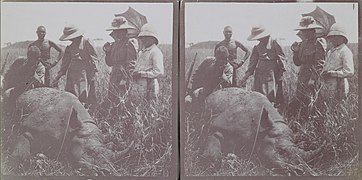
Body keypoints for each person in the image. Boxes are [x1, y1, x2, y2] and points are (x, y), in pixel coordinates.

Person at [52, 25, 98, 106]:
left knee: (84, 95)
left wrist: (94, 73)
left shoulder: (87, 42)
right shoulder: (69, 48)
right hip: (72, 74)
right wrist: (57, 77)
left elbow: (94, 58)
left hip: (85, 73)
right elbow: (64, 65)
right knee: (72, 96)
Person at [239, 26, 285, 106]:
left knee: (270, 95)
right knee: (259, 96)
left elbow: (282, 59)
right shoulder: (257, 47)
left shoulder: (275, 42)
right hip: (259, 74)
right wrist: (244, 78)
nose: (258, 39)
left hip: (272, 74)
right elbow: (252, 64)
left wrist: (280, 75)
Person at [289, 16, 326, 114]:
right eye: (303, 31)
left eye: (307, 30)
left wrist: (313, 79)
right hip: (302, 75)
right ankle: (300, 119)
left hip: (312, 76)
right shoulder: (302, 44)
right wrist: (295, 52)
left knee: (311, 100)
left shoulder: (318, 42)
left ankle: (311, 121)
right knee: (300, 99)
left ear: (313, 30)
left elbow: (320, 63)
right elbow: (298, 63)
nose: (304, 33)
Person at [103, 17, 138, 104]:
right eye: (115, 31)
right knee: (112, 99)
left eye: (119, 31)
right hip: (114, 75)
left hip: (123, 76)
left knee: (122, 101)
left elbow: (131, 64)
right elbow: (110, 63)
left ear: (125, 31)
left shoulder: (130, 43)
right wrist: (107, 52)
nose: (116, 33)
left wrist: (125, 79)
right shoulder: (115, 44)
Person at [321, 23, 354, 102]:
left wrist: (332, 73)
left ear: (343, 38)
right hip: (328, 85)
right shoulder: (330, 52)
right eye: (332, 37)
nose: (334, 39)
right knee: (327, 106)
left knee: (337, 106)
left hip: (340, 85)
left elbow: (349, 72)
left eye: (337, 36)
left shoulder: (345, 51)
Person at [132, 23, 164, 102]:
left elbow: (159, 72)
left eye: (147, 37)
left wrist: (142, 74)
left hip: (150, 84)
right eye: (142, 38)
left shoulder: (155, 52)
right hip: (139, 85)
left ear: (154, 39)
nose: (144, 40)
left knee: (149, 107)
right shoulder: (141, 52)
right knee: (138, 105)